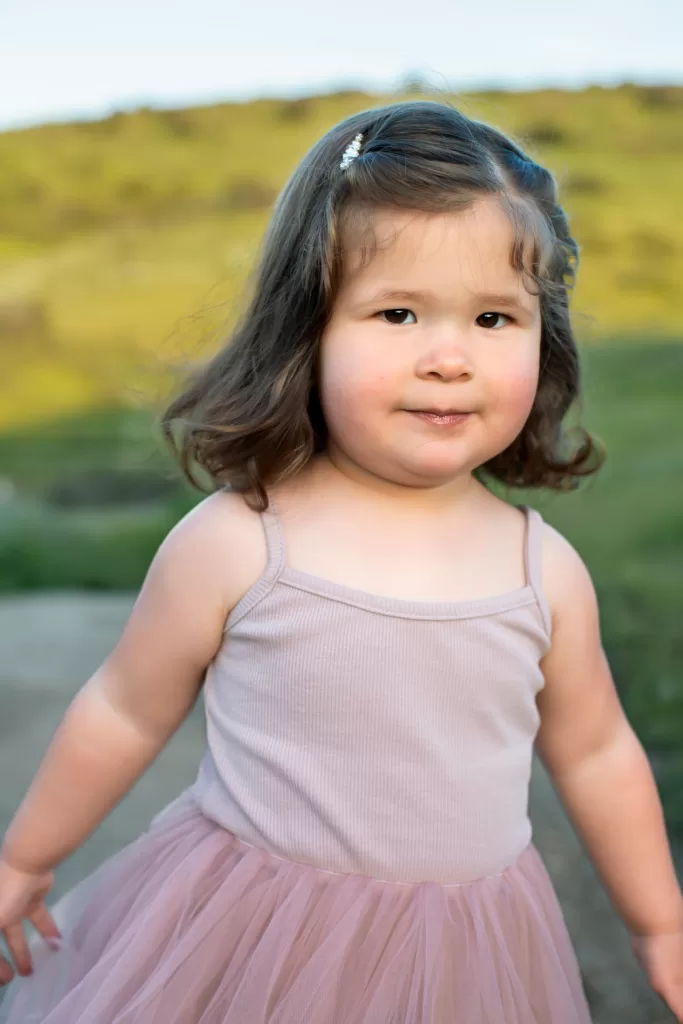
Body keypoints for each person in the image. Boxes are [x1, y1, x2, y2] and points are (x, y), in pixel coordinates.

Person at [1, 99, 681, 1024]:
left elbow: (595, 751)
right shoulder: (241, 540)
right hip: (250, 936)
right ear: (306, 330)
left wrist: (659, 922)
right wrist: (24, 857)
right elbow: (124, 708)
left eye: (493, 318)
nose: (448, 357)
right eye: (397, 312)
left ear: (543, 337)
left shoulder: (541, 571)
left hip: (461, 958)